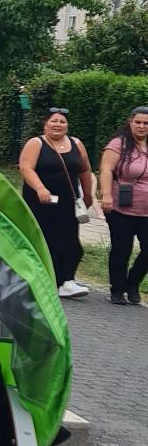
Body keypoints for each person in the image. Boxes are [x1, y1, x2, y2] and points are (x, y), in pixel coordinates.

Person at [18, 107, 93, 297]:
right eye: (54, 121)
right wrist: (40, 188)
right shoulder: (36, 143)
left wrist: (88, 194)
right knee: (45, 239)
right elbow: (26, 168)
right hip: (41, 202)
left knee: (70, 241)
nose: (58, 125)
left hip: (68, 202)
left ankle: (67, 280)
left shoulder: (76, 143)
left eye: (62, 121)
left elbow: (85, 169)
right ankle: (41, 279)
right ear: (45, 123)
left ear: (67, 125)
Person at [95, 104, 148, 307]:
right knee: (121, 249)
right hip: (122, 207)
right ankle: (117, 290)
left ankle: (132, 283)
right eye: (138, 122)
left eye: (146, 123)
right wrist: (106, 195)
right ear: (130, 122)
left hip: (146, 211)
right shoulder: (119, 144)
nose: (141, 126)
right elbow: (106, 169)